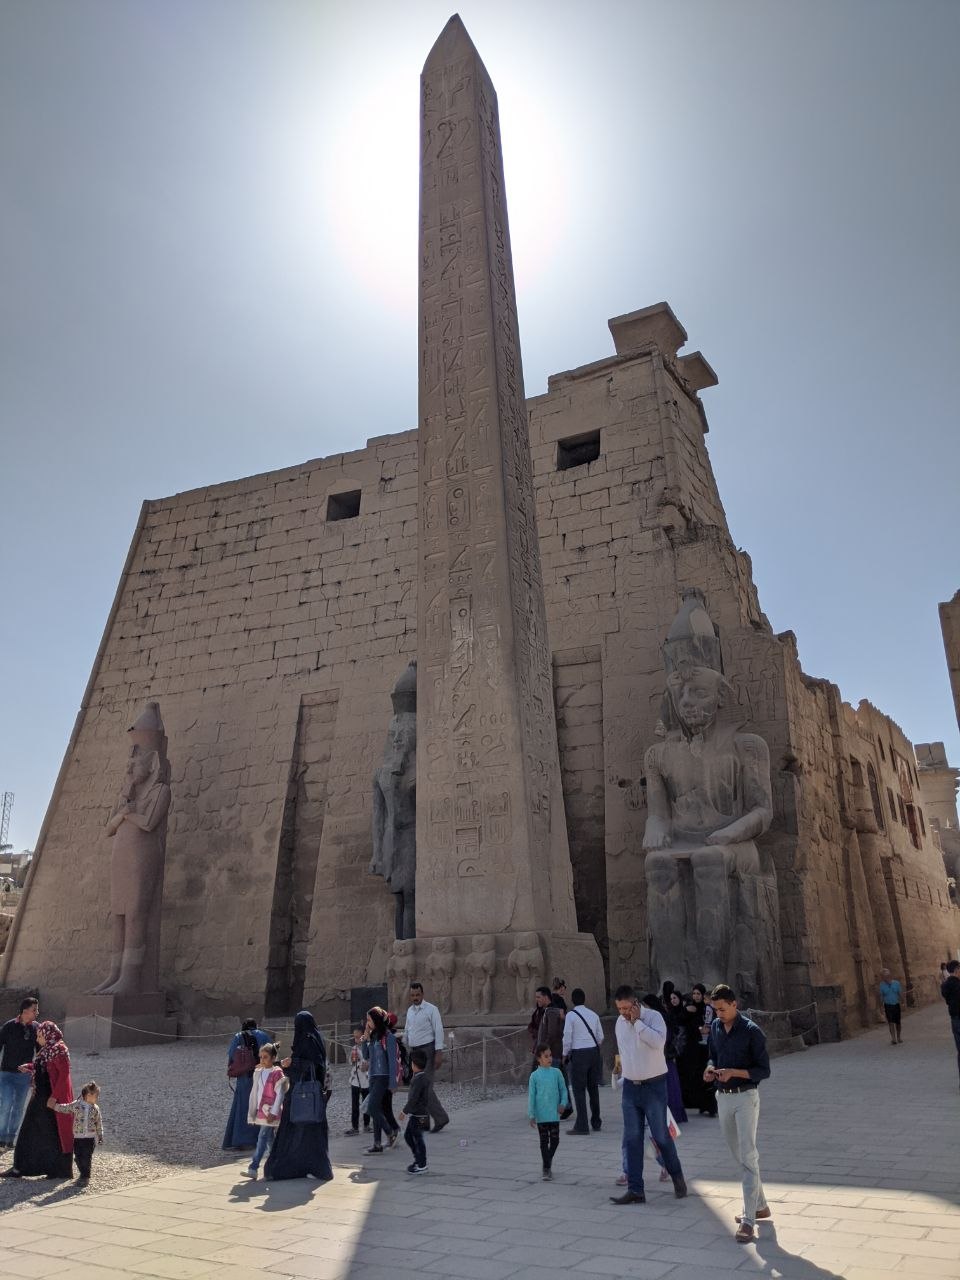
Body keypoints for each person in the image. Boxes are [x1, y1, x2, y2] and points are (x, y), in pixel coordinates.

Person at [704, 983, 771, 1243]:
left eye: (722, 1009)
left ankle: (748, 1220)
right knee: (739, 1154)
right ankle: (760, 1205)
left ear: (734, 1005)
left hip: (745, 1096)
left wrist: (735, 1072)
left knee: (747, 1155)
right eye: (715, 1010)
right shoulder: (717, 1028)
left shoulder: (752, 1032)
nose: (718, 1014)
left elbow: (763, 1070)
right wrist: (710, 1069)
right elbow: (712, 1055)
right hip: (723, 1096)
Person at [609, 984, 686, 1206]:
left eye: (626, 1008)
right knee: (632, 1139)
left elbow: (658, 1043)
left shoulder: (654, 1018)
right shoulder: (619, 1023)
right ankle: (635, 1190)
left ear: (635, 1003)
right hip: (632, 1088)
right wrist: (621, 1075)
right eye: (619, 1009)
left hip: (654, 1086)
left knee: (661, 1136)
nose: (623, 1013)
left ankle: (677, 1176)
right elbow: (626, 1053)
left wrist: (637, 1024)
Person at [263, 1010, 332, 1182]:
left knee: (292, 1131)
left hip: (301, 1095)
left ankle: (285, 1168)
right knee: (311, 1133)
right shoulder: (316, 1038)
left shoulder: (306, 1040)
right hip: (312, 1096)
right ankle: (315, 1167)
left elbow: (311, 1065)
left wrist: (292, 1063)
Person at [2, 1021, 74, 1179]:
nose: (38, 1038)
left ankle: (56, 1170)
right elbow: (41, 1067)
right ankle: (20, 1167)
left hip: (50, 1098)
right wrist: (29, 1066)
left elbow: (63, 1076)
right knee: (30, 1132)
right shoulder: (47, 1050)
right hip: (40, 1096)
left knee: (51, 1134)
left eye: (41, 1035)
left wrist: (54, 1097)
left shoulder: (60, 1050)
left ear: (49, 1035)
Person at [403, 983, 449, 1132]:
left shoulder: (431, 1010)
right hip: (415, 1052)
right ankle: (424, 1122)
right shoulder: (410, 1011)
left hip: (428, 1050)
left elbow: (438, 1030)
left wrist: (439, 1052)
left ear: (422, 995)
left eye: (417, 995)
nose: (415, 998)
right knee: (416, 1087)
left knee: (426, 1087)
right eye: (412, 995)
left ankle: (441, 1118)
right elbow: (407, 1030)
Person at [223, 1018, 272, 1150]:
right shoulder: (264, 1035)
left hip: (245, 1078)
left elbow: (233, 1056)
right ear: (256, 1026)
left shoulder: (239, 1036)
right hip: (262, 1075)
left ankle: (241, 1140)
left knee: (243, 1107)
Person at [243, 1042, 287, 1179]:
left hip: (270, 1112)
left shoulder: (277, 1074)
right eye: (260, 1057)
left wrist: (273, 1112)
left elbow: (280, 1094)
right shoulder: (258, 1072)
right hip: (261, 1110)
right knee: (269, 1140)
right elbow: (256, 1092)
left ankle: (253, 1168)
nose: (262, 1060)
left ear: (273, 1058)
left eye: (265, 1057)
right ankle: (276, 1168)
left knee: (262, 1138)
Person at [562, 987, 603, 1134]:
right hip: (593, 1052)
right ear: (584, 999)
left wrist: (564, 1054)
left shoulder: (571, 1016)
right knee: (593, 1088)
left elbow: (567, 1037)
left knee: (579, 1090)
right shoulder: (593, 1015)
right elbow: (600, 1037)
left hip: (579, 1053)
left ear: (572, 1000)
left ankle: (582, 1125)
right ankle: (596, 1121)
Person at [640, 994, 687, 1125]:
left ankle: (667, 1115)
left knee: (665, 1088)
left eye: (645, 1006)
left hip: (661, 1057)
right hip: (666, 1058)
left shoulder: (658, 1018)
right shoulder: (662, 1016)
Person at [0, 996, 39, 1149]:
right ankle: (1, 1137)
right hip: (6, 1074)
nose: (37, 1012)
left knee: (18, 1107)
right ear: (25, 1011)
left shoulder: (36, 1028)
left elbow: (40, 1053)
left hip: (24, 1077)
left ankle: (10, 1139)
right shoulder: (9, 1026)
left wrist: (36, 1073)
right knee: (6, 1103)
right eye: (34, 1009)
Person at [361, 1006, 401, 1154]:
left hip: (383, 1077)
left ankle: (390, 1132)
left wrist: (393, 1083)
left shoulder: (388, 1037)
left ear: (376, 1020)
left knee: (371, 1108)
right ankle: (377, 1144)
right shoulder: (373, 1036)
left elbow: (392, 1061)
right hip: (372, 1076)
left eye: (369, 1020)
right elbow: (366, 1056)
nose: (367, 1023)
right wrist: (365, 1039)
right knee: (377, 1108)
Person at [48, 1080, 103, 1185]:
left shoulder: (95, 1109)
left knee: (87, 1156)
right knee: (78, 1156)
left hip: (90, 1137)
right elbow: (66, 1108)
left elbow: (99, 1123)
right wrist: (55, 1106)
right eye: (96, 1096)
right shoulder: (77, 1105)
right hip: (78, 1137)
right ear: (88, 1095)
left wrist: (100, 1136)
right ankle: (82, 1171)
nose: (97, 1098)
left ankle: (85, 1176)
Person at [527, 1045, 568, 1181]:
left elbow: (563, 1089)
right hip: (541, 1114)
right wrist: (531, 1114)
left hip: (554, 1113)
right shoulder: (534, 1076)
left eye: (550, 1055)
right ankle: (546, 1169)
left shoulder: (557, 1072)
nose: (549, 1058)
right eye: (546, 1056)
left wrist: (563, 1103)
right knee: (544, 1141)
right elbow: (531, 1096)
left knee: (555, 1140)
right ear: (539, 1059)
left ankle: (547, 1162)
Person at [677, 990, 717, 1115]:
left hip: (706, 1047)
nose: (696, 997)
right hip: (693, 1050)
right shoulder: (689, 1009)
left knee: (707, 1076)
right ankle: (700, 1104)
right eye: (694, 994)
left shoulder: (707, 1009)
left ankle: (710, 1105)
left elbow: (708, 1026)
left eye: (699, 994)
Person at [399, 1047, 430, 1174]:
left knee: (418, 1139)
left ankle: (421, 1164)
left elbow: (414, 1099)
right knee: (409, 1136)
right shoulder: (419, 1077)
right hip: (417, 1114)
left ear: (415, 1065)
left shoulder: (419, 1079)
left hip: (419, 1115)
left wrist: (404, 1111)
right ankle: (418, 1159)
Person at [343, 1026, 371, 1136]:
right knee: (355, 1105)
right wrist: (353, 1060)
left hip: (366, 1080)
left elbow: (371, 1060)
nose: (356, 1040)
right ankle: (354, 1127)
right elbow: (351, 1062)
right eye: (354, 1037)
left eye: (358, 1037)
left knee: (366, 1103)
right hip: (355, 1080)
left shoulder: (369, 1047)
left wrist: (367, 1065)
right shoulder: (354, 1048)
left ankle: (367, 1125)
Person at [941, 960, 960, 1089]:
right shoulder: (958, 984)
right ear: (956, 970)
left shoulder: (945, 985)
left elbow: (947, 999)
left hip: (955, 1019)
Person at [879, 969, 903, 1045]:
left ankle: (898, 1037)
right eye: (884, 976)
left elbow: (900, 993)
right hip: (888, 1005)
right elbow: (881, 996)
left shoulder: (896, 983)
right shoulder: (882, 985)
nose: (886, 977)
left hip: (896, 1004)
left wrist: (902, 1002)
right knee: (890, 1022)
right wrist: (881, 1007)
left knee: (898, 1022)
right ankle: (893, 1038)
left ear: (890, 976)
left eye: (887, 975)